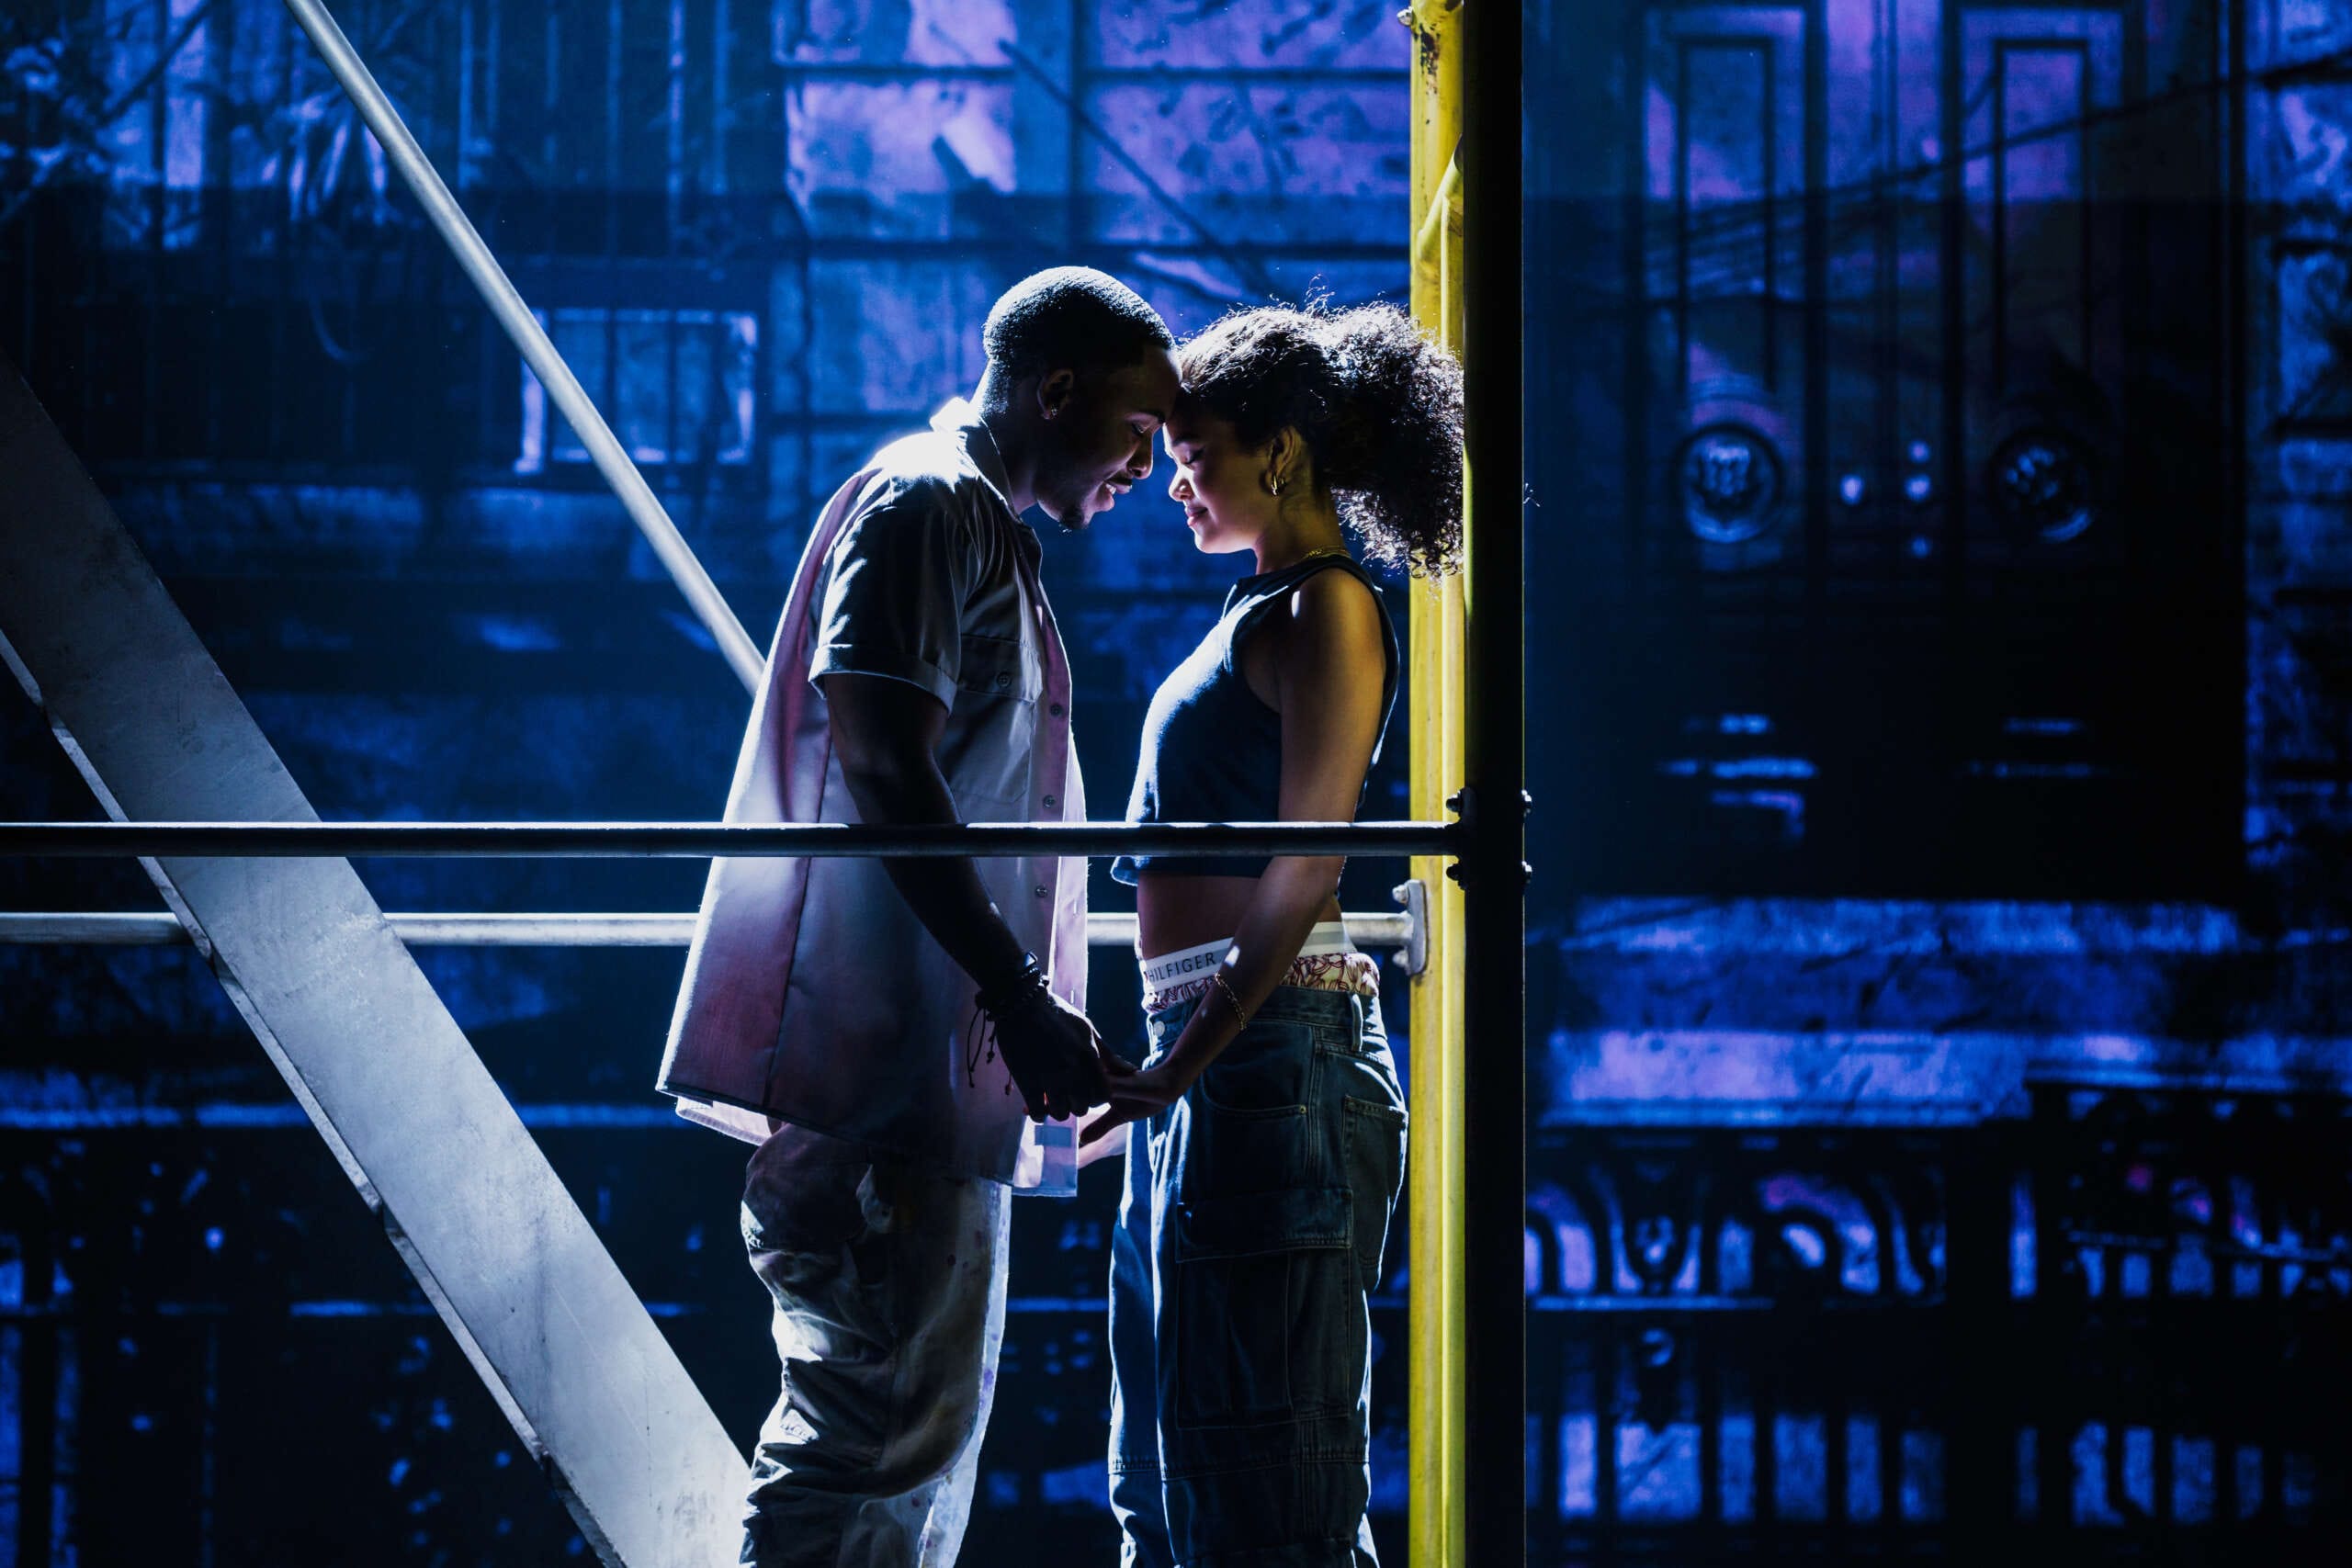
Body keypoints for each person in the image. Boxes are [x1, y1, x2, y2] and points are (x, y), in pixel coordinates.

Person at [657, 266, 1182, 1567]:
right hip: (882, 1087)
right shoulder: (931, 503)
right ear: (1056, 390)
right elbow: (885, 761)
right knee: (876, 1438)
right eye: (1135, 433)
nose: (1146, 468)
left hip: (910, 1088)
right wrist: (1017, 996)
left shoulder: (965, 518)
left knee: (900, 1444)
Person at [1081, 301, 1464, 1567]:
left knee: (1266, 1492)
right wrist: (1174, 1073)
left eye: (1196, 464)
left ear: (1280, 454)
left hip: (1259, 1060)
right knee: (1172, 1483)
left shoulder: (1328, 612)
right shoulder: (1267, 609)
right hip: (1213, 1065)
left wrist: (1185, 1064)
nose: (1174, 489)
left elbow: (1308, 863)